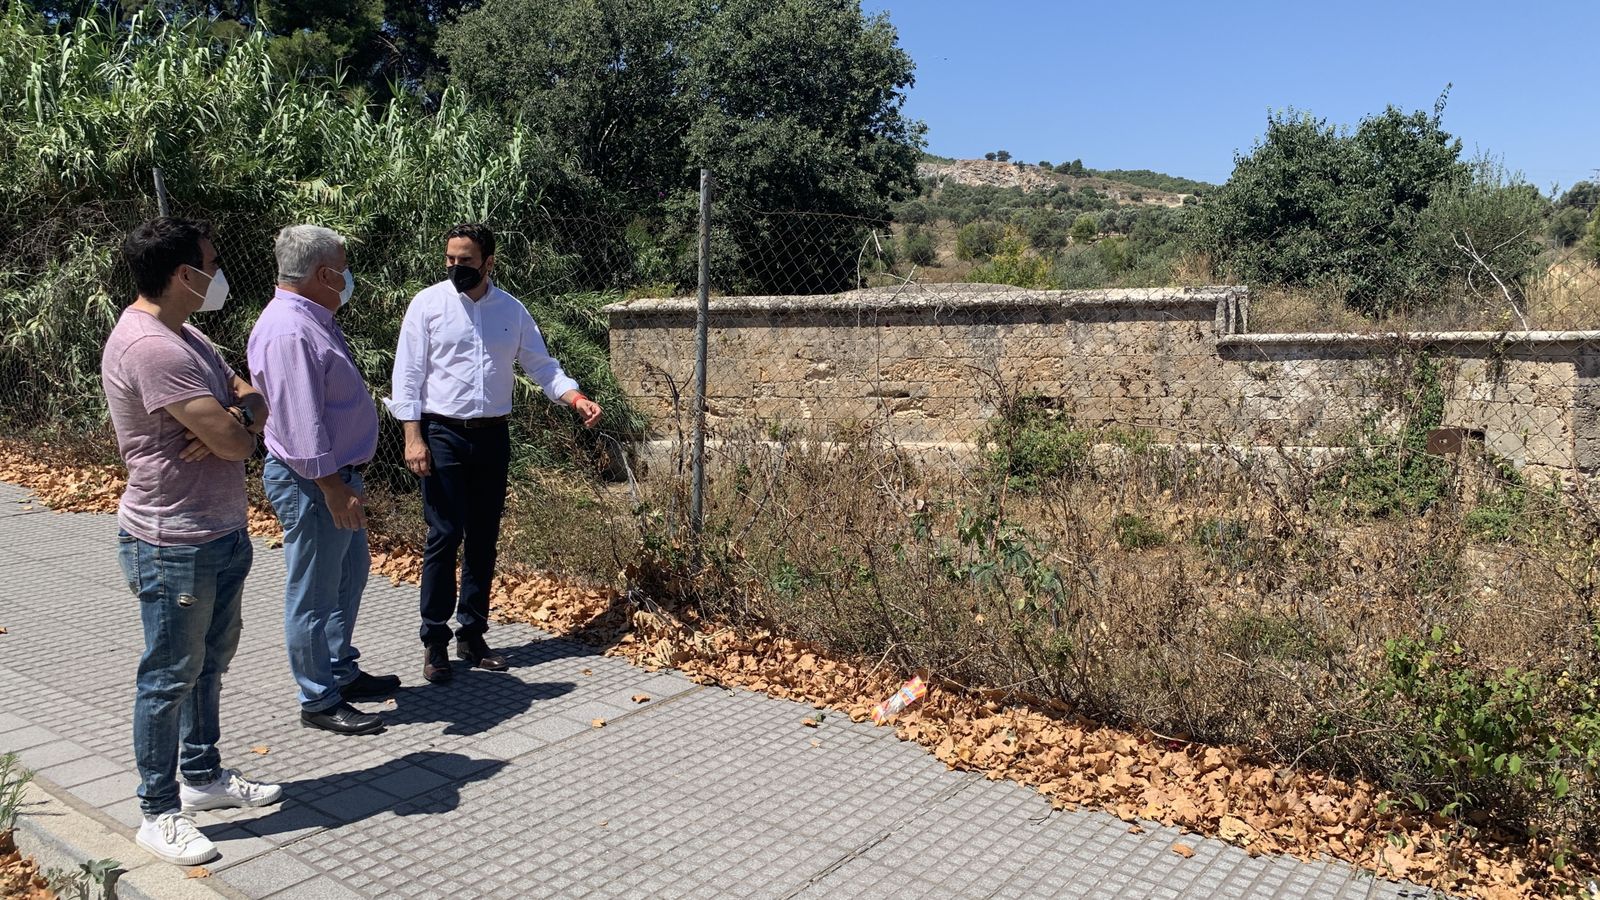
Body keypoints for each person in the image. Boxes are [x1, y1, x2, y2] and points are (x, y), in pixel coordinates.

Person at [101, 217, 283, 867]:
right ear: (185, 276)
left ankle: (201, 778)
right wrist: (236, 426)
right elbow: (240, 437)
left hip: (220, 530)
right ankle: (157, 809)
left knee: (208, 665)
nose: (217, 273)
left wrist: (236, 416)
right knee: (168, 677)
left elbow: (249, 398)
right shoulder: (152, 348)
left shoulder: (187, 334)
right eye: (209, 262)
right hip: (171, 543)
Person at [386, 223, 602, 683]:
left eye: (465, 261)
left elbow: (542, 365)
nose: (455, 268)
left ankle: (473, 634)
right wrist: (412, 436)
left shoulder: (511, 310)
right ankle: (434, 640)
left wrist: (575, 397)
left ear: (489, 263)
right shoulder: (428, 304)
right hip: (441, 432)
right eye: (450, 259)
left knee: (483, 537)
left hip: (492, 436)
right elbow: (407, 375)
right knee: (444, 536)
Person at [249, 225, 397, 736]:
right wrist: (333, 487)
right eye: (342, 266)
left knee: (349, 576)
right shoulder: (290, 329)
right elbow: (299, 420)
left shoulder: (315, 317)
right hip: (314, 482)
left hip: (336, 479)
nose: (347, 275)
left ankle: (339, 670)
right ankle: (317, 697)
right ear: (323, 273)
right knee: (313, 593)